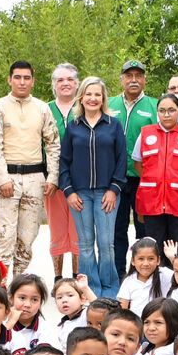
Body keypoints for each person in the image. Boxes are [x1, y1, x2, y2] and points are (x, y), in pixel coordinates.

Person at [0, 60, 61, 278]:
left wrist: (53, 176)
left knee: (28, 237)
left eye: (26, 78)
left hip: (35, 177)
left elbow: (53, 144)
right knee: (5, 235)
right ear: (9, 79)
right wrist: (1, 178)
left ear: (33, 81)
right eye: (17, 77)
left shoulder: (42, 108)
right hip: (8, 177)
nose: (22, 82)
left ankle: (18, 282)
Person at [58, 77, 127, 300]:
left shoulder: (113, 125)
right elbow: (64, 161)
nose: (93, 98)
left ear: (103, 98)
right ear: (81, 97)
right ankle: (90, 290)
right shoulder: (73, 127)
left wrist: (114, 189)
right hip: (80, 195)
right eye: (88, 94)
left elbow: (121, 160)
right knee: (85, 244)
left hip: (106, 193)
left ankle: (109, 289)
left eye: (97, 94)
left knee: (106, 243)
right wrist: (68, 191)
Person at [131, 92, 178, 254]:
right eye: (162, 110)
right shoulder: (146, 133)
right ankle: (156, 280)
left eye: (171, 110)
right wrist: (156, 180)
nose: (166, 114)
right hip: (152, 203)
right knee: (154, 249)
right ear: (157, 113)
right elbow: (138, 164)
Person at [107, 60, 160, 277]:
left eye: (139, 75)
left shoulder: (155, 106)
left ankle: (143, 273)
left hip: (143, 179)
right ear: (121, 79)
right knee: (117, 230)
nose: (134, 80)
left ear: (145, 79)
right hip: (115, 180)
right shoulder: (109, 104)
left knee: (143, 230)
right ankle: (120, 273)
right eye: (129, 76)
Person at [45, 63, 81, 283]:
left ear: (77, 83)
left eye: (70, 79)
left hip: (81, 179)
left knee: (79, 230)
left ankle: (78, 277)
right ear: (54, 85)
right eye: (60, 80)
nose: (65, 83)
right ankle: (58, 278)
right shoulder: (44, 109)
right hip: (53, 179)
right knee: (57, 229)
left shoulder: (86, 106)